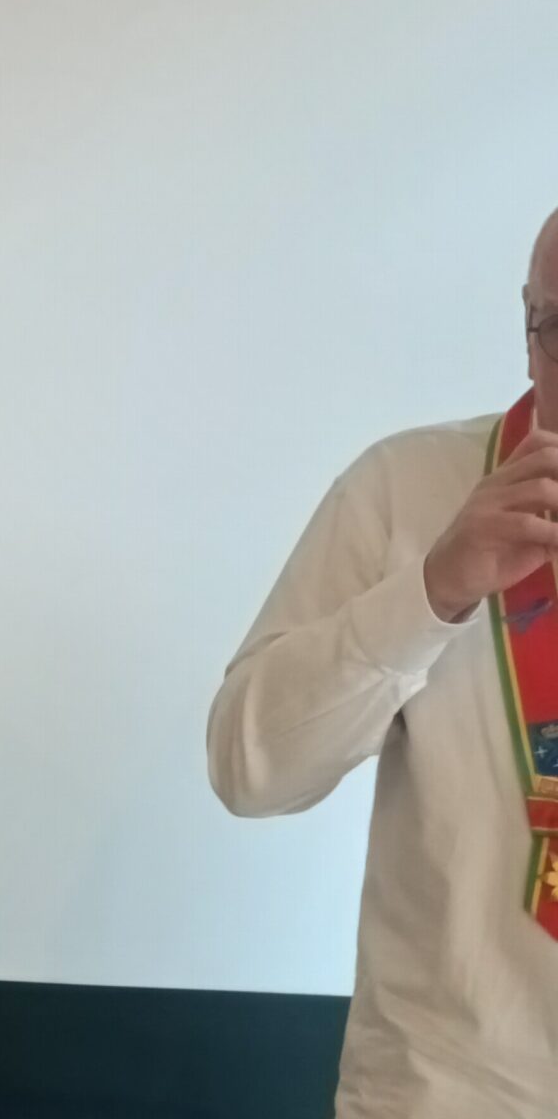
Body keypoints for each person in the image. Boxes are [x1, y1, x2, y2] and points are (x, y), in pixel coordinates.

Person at [209, 211, 558, 1116]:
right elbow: (248, 767)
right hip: (446, 1093)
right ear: (529, 332)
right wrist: (432, 592)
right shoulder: (404, 491)